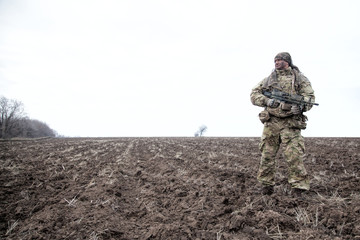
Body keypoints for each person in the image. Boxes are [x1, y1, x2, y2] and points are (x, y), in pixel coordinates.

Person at [250, 52, 316, 195]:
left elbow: (310, 98)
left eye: (279, 60)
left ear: (287, 62)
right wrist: (267, 101)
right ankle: (266, 186)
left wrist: (300, 107)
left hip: (291, 123)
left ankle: (299, 188)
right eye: (275, 60)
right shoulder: (268, 80)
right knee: (267, 155)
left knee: (294, 156)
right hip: (271, 122)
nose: (276, 62)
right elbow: (254, 94)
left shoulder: (299, 79)